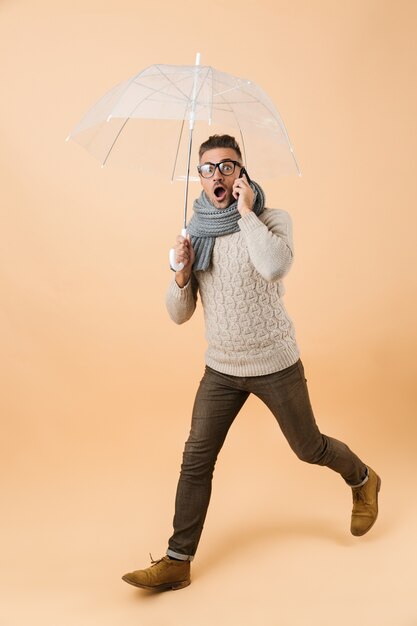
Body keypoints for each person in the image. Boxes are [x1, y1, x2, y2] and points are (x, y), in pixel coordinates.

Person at [122, 134, 381, 592]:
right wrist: (180, 272)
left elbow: (274, 266)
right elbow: (179, 315)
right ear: (197, 177)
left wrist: (245, 215)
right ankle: (177, 561)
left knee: (309, 447)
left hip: (273, 362)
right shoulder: (195, 232)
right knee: (196, 459)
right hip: (221, 368)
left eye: (228, 166)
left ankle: (363, 478)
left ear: (241, 173)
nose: (217, 175)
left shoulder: (272, 219)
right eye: (207, 168)